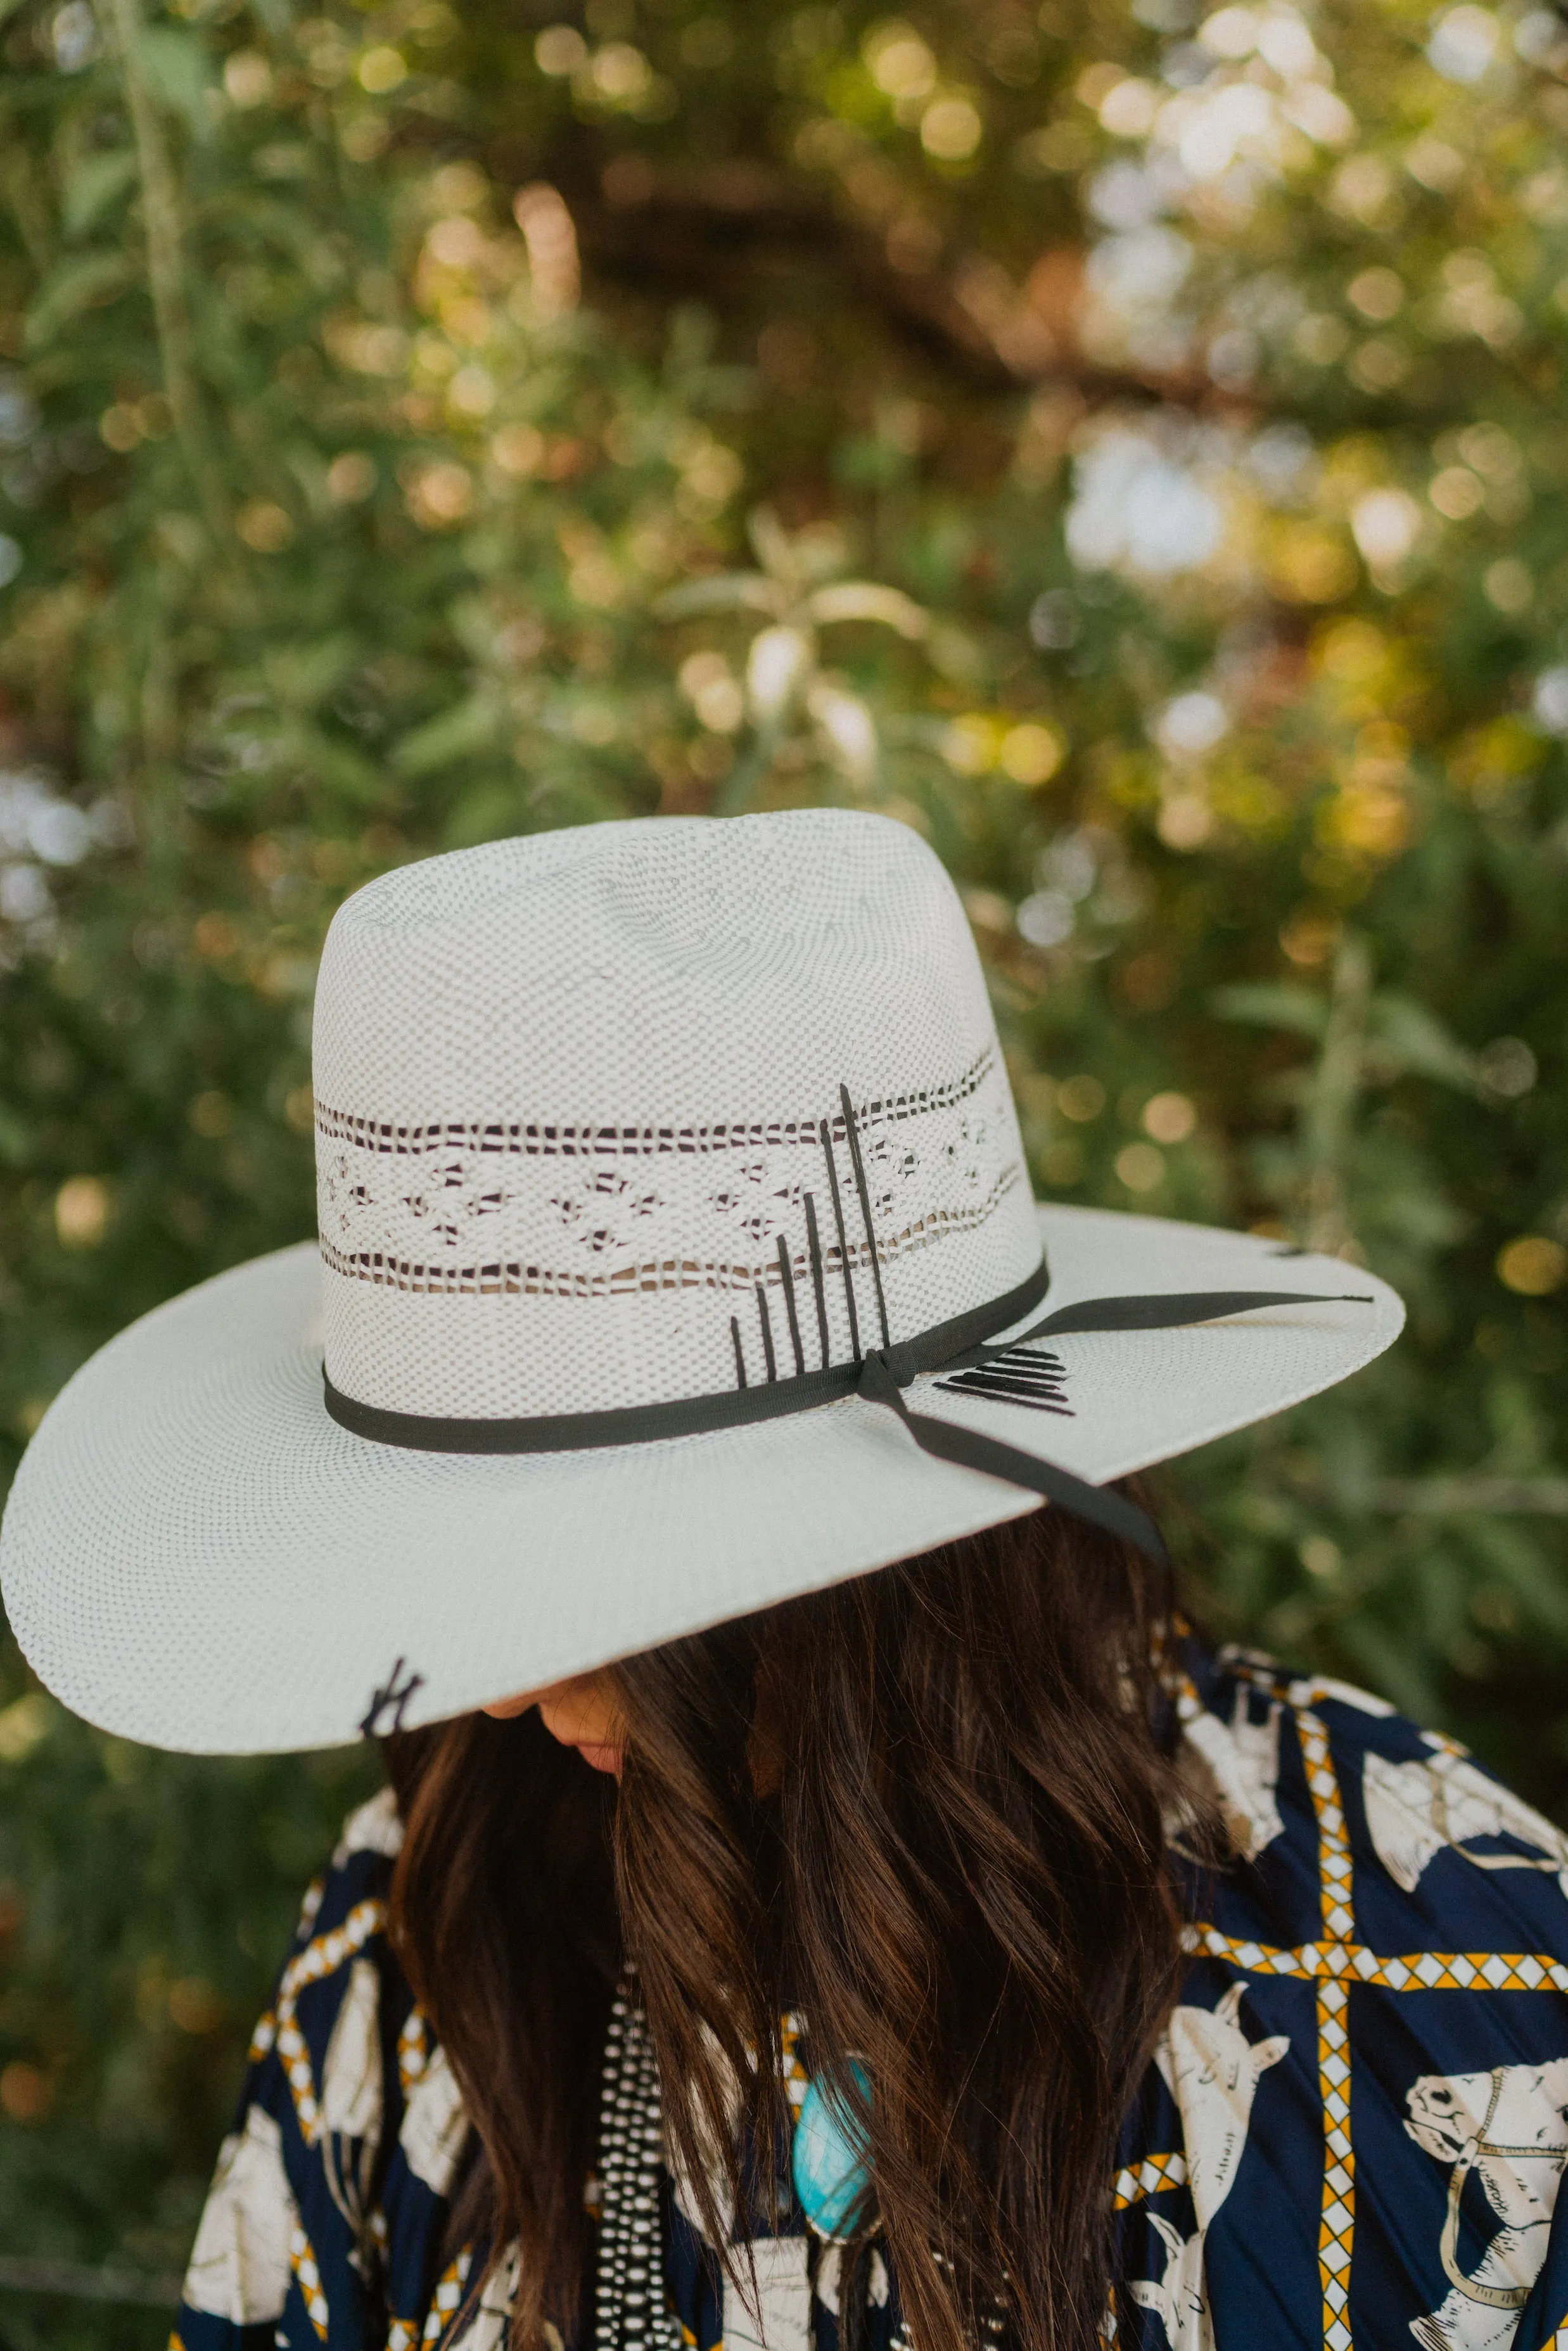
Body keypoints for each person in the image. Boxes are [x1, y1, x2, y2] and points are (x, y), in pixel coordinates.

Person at [3, 811, 1565, 2351]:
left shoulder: (1414, 1965)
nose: (495, 1685)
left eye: (573, 1567)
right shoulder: (432, 1919)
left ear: (868, 1578)